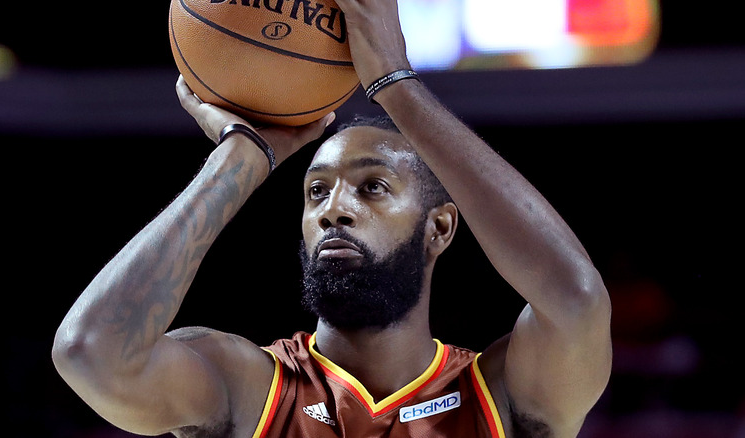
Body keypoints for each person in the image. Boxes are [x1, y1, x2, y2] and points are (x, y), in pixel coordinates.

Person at [52, 1, 612, 437]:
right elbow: (91, 352)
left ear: (439, 228)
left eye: (373, 187)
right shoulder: (249, 389)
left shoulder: (499, 395)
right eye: (315, 191)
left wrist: (397, 84)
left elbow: (576, 299)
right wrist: (243, 156)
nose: (333, 210)